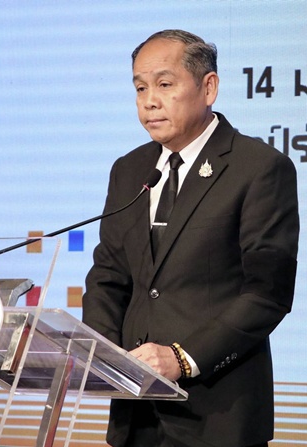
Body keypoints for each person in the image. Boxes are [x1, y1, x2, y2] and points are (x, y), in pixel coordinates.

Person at [82, 30, 299, 447]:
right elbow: (108, 275)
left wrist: (183, 359)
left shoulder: (259, 167)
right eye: (140, 88)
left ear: (208, 87)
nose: (150, 101)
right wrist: (106, 355)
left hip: (219, 417)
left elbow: (267, 294)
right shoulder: (129, 170)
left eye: (164, 84)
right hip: (135, 416)